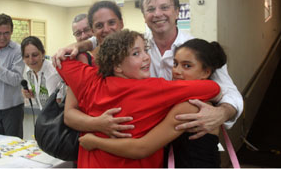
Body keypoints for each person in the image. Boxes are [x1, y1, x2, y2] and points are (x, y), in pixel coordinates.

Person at [57, 29, 221, 168]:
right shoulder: (154, 89)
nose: (146, 57)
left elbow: (61, 61)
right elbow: (213, 88)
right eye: (136, 53)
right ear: (117, 66)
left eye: (145, 51)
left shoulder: (90, 81)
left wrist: (81, 45)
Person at [64, 1, 135, 139]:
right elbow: (69, 115)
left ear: (121, 23)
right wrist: (98, 123)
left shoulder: (137, 58)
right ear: (93, 31)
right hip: (95, 144)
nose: (106, 29)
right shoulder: (84, 63)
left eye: (111, 22)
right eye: (99, 26)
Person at [21, 36, 65, 110]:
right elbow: (38, 91)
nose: (31, 60)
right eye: (26, 56)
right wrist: (30, 93)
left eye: (35, 55)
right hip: (44, 114)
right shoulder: (29, 70)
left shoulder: (52, 73)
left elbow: (56, 103)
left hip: (57, 116)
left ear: (43, 53)